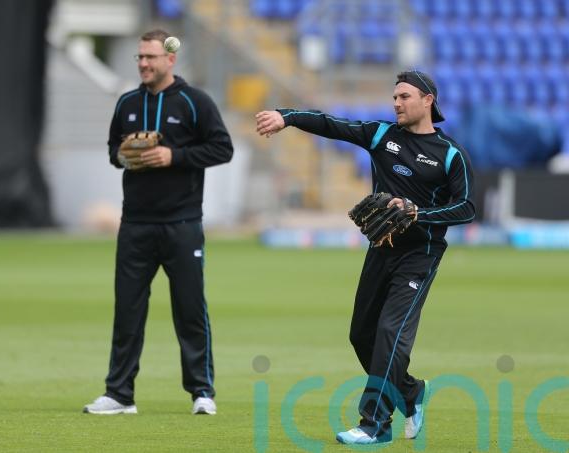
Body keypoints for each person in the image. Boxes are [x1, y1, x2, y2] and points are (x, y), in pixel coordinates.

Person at [255, 70, 475, 445]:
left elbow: (467, 207)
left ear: (428, 100)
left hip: (419, 255)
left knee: (391, 332)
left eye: (405, 96)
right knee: (361, 336)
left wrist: (417, 214)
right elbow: (331, 124)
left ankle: (375, 424)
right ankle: (411, 392)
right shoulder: (381, 135)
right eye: (394, 97)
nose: (397, 103)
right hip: (381, 249)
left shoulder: (450, 154)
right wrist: (286, 117)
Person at [84, 29, 233, 416]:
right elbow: (113, 151)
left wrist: (173, 156)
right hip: (135, 224)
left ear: (170, 59)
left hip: (182, 223)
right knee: (127, 311)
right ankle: (119, 394)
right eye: (140, 57)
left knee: (189, 309)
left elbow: (223, 148)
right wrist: (125, 155)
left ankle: (202, 391)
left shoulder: (194, 101)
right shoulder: (127, 102)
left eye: (150, 57)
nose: (144, 64)